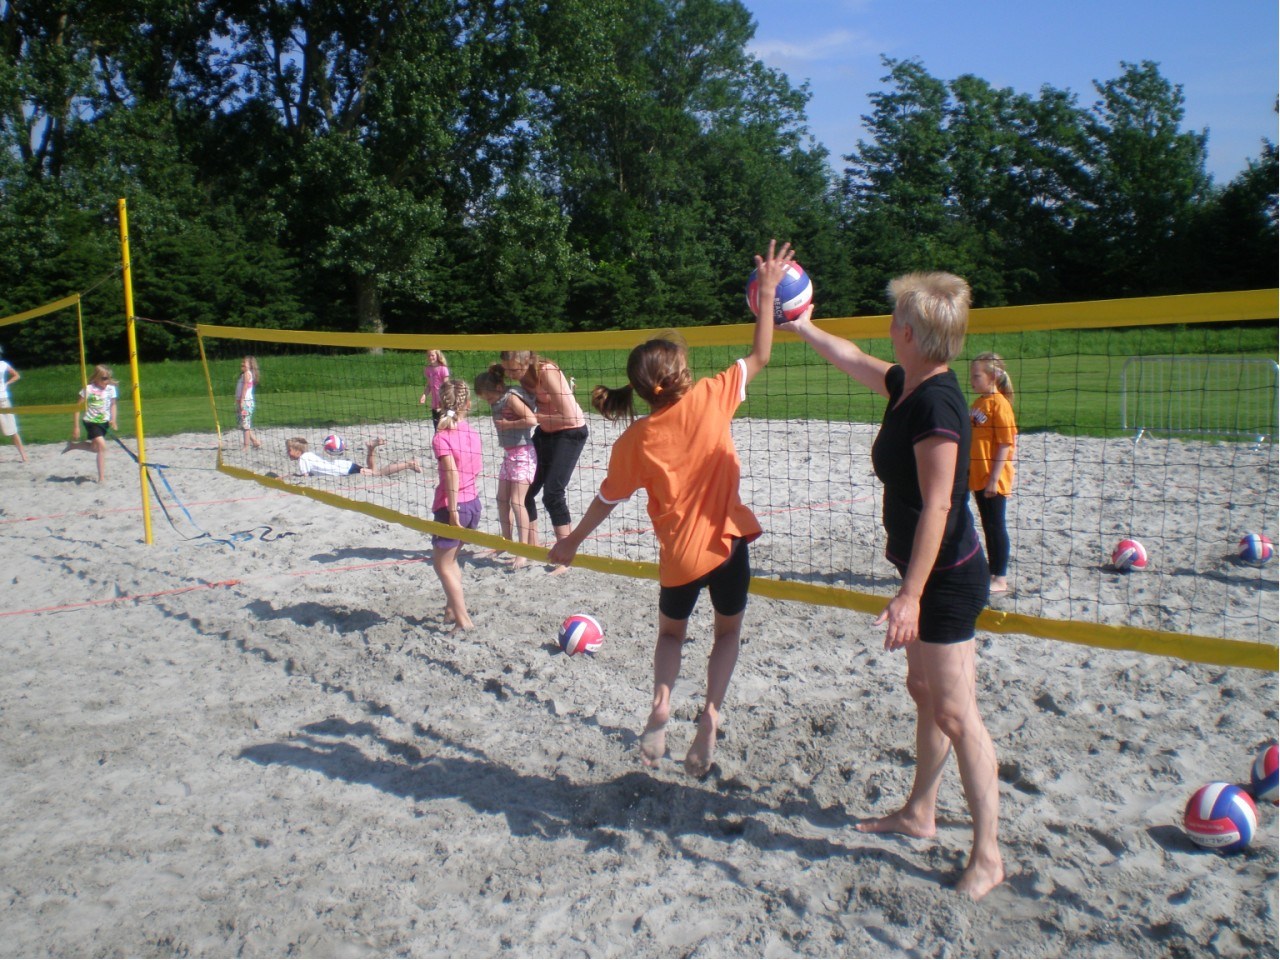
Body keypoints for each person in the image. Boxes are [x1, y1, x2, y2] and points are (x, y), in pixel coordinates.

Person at [780, 271, 1003, 900]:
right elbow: (852, 358)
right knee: (924, 690)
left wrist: (910, 596)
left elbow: (939, 506)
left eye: (895, 316)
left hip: (947, 579)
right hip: (925, 572)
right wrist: (802, 326)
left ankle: (989, 856)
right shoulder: (910, 383)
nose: (887, 324)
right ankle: (921, 813)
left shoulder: (938, 405)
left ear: (908, 331)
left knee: (957, 713)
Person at [549, 239, 793, 778]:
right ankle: (710, 715)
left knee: (670, 636)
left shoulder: (634, 440)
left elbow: (605, 501)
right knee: (726, 634)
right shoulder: (713, 395)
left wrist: (571, 542)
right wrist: (768, 293)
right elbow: (762, 354)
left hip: (679, 560)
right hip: (727, 547)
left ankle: (661, 703)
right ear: (682, 373)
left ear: (641, 389)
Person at [496, 348, 587, 573]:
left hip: (571, 433)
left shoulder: (546, 372)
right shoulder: (521, 377)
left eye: (514, 369)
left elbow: (569, 416)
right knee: (525, 491)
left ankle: (564, 558)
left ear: (527, 361)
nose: (510, 374)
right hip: (546, 433)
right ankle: (533, 549)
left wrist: (530, 417)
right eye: (507, 370)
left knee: (553, 493)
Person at [431, 378, 484, 630]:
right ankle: (451, 610)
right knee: (452, 561)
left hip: (453, 506)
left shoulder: (441, 437)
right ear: (468, 404)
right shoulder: (472, 433)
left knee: (442, 565)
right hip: (473, 504)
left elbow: (452, 473)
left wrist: (452, 510)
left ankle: (464, 621)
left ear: (441, 403)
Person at [474, 368, 538, 567]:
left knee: (517, 502)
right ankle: (506, 542)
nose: (488, 402)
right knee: (501, 499)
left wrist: (509, 425)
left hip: (523, 454)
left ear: (499, 388)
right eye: (485, 399)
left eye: (489, 397)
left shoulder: (510, 398)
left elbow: (532, 419)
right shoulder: (498, 399)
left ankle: (523, 550)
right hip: (509, 455)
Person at [968, 352, 1017, 594]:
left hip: (992, 478)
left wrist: (994, 479)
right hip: (978, 475)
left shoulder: (1000, 404)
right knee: (987, 525)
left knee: (996, 526)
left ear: (993, 376)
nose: (972, 381)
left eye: (976, 376)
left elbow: (1005, 443)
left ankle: (1000, 578)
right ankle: (990, 572)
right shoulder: (979, 403)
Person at [64, 365, 118, 483]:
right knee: (102, 446)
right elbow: (77, 409)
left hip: (104, 422)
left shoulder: (111, 389)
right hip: (91, 421)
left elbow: (113, 404)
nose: (107, 381)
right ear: (97, 378)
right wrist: (76, 427)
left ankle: (73, 446)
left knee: (95, 448)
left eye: (108, 378)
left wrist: (113, 419)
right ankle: (101, 478)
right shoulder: (88, 389)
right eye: (104, 378)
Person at [286, 436, 421, 478]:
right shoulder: (309, 455)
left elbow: (305, 477)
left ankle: (409, 464)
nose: (287, 453)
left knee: (378, 474)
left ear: (298, 451)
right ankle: (371, 447)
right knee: (373, 470)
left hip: (344, 470)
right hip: (344, 466)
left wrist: (291, 477)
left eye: (289, 450)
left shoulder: (303, 459)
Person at [0, 347, 28, 462]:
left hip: (2, 399)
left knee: (12, 429)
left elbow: (16, 375)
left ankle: (23, 455)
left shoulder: (3, 364)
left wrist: (7, 383)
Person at [236, 356, 264, 450]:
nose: (242, 364)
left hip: (246, 403)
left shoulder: (247, 374)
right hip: (242, 402)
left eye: (244, 363)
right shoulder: (244, 374)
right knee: (242, 423)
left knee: (245, 424)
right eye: (242, 362)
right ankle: (255, 441)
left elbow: (245, 388)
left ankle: (246, 446)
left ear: (250, 365)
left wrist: (242, 400)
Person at [419, 349, 451, 428]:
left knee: (445, 427)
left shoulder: (443, 369)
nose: (430, 357)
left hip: (443, 404)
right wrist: (424, 395)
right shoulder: (428, 369)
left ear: (437, 356)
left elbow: (446, 387)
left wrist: (443, 401)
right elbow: (429, 385)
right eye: (429, 355)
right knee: (436, 427)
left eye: (432, 355)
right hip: (434, 405)